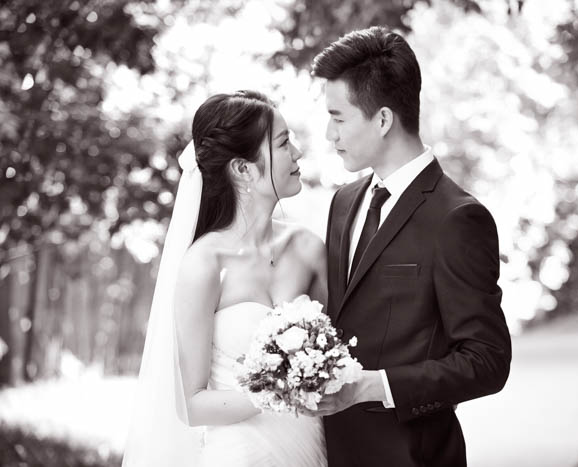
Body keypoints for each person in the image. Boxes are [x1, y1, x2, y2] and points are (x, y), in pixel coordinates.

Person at [307, 27, 512, 466]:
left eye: (339, 117)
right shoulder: (343, 203)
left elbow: (487, 360)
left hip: (414, 456)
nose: (329, 133)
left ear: (382, 119)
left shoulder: (458, 218)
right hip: (334, 452)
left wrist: (377, 386)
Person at [122, 91, 327, 467]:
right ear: (243, 169)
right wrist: (280, 388)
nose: (297, 152)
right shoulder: (204, 263)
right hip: (240, 455)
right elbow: (192, 404)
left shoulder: (310, 249)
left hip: (309, 450)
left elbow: (337, 350)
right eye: (283, 143)